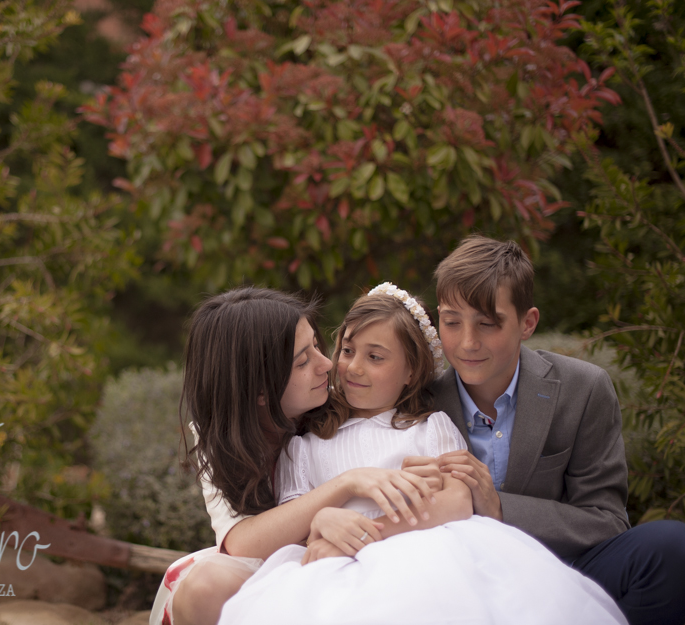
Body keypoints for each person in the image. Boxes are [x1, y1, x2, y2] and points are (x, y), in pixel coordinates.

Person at [218, 284, 626, 625]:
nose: (352, 367)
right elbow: (297, 518)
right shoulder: (306, 444)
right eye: (346, 350)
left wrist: (366, 537)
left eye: (375, 357)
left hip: (427, 556)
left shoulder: (429, 427)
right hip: (331, 567)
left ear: (411, 371)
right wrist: (323, 519)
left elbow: (456, 500)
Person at [409, 235, 685, 625]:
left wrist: (499, 508)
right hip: (457, 577)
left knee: (671, 547)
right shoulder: (419, 396)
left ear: (527, 323)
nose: (467, 342)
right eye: (451, 321)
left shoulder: (584, 388)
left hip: (565, 569)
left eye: (488, 323)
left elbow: (605, 520)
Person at [150, 287, 441, 625]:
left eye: (317, 346)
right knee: (203, 586)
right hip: (272, 558)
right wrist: (346, 484)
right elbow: (239, 543)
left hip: (351, 548)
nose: (328, 364)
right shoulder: (218, 435)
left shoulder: (349, 403)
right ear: (259, 390)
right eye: (303, 360)